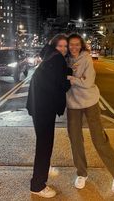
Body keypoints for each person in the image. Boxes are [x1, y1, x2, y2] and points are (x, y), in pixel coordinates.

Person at [66, 33, 114, 193]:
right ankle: (81, 173)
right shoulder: (65, 59)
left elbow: (88, 82)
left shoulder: (86, 59)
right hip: (72, 103)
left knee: (98, 138)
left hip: (90, 101)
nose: (74, 47)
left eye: (77, 44)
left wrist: (73, 79)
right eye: (71, 44)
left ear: (82, 45)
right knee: (75, 139)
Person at [26, 34, 71, 198]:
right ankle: (37, 185)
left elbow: (51, 78)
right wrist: (70, 81)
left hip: (37, 106)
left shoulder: (48, 57)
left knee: (42, 144)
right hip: (45, 109)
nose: (63, 50)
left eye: (65, 47)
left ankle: (44, 169)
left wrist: (67, 73)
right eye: (60, 46)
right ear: (54, 46)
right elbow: (58, 85)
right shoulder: (57, 60)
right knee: (44, 146)